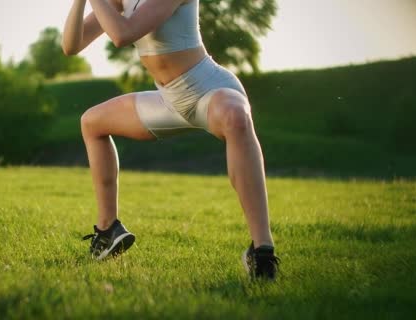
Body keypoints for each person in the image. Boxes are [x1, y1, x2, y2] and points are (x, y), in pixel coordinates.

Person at [63, 0, 280, 279]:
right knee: (91, 122)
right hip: (169, 100)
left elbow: (122, 34)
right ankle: (108, 231)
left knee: (236, 118)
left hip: (209, 91)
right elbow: (70, 46)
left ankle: (262, 252)